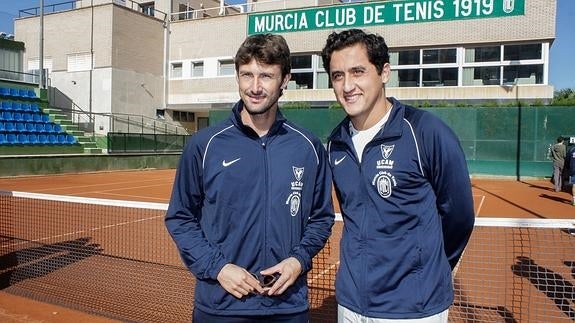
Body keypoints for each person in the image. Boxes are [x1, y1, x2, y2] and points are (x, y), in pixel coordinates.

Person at [164, 33, 335, 322]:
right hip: (220, 305)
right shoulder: (204, 145)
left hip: (287, 307)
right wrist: (218, 268)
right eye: (247, 75)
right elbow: (180, 218)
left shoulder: (308, 147)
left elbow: (321, 218)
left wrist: (298, 260)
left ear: (285, 80)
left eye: (266, 76)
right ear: (237, 77)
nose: (255, 87)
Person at [321, 29, 475, 322]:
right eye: (337, 75)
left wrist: (426, 269)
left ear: (384, 72)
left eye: (358, 71)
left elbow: (460, 217)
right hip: (351, 305)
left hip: (413, 309)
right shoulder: (336, 142)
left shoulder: (426, 132)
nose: (347, 85)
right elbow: (354, 214)